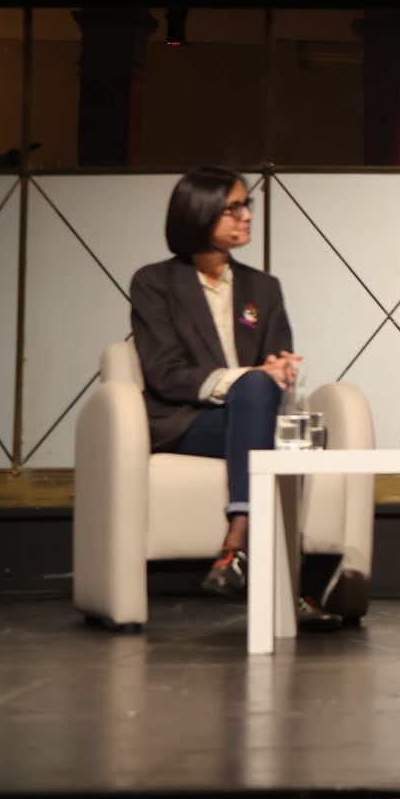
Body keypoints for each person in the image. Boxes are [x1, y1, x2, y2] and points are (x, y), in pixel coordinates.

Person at [130, 166, 344, 630]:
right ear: (198, 213)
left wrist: (281, 373)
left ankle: (236, 550)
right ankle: (281, 578)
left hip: (253, 417)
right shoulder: (155, 284)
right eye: (234, 207)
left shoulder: (262, 288)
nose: (246, 216)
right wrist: (250, 378)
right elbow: (166, 376)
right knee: (263, 405)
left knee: (268, 407)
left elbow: (275, 366)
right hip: (186, 421)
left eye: (247, 205)